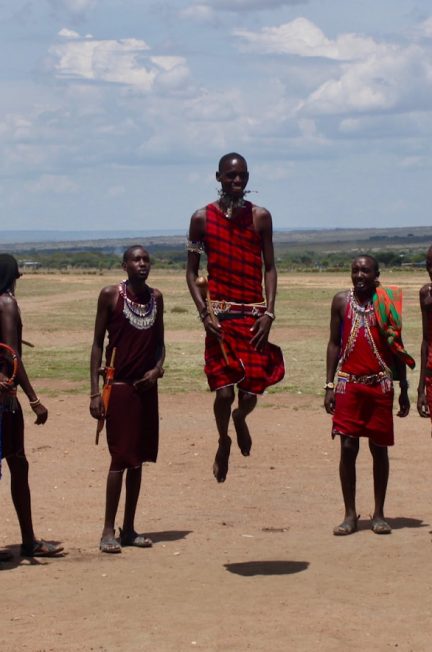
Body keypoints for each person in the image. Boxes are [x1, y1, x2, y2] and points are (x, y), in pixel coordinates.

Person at [186, 152, 285, 483]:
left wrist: (269, 311)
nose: (238, 181)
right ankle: (223, 439)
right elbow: (191, 273)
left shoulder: (261, 218)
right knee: (223, 391)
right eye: (231, 176)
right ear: (218, 177)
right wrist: (204, 314)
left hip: (254, 317)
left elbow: (270, 267)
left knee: (248, 393)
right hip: (220, 319)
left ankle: (240, 418)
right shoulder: (201, 219)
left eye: (243, 175)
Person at [324, 255, 414, 536]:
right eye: (355, 270)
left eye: (365, 270)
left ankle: (379, 514)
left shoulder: (386, 302)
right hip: (348, 385)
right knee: (348, 448)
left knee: (379, 449)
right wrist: (329, 385)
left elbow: (397, 347)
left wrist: (404, 390)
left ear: (377, 274)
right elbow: (334, 344)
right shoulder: (340, 301)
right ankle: (350, 515)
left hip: (380, 386)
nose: (359, 275)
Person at [90, 246, 165, 553]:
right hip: (117, 387)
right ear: (124, 265)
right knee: (120, 458)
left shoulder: (156, 298)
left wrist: (157, 370)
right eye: (136, 259)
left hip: (146, 389)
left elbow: (160, 344)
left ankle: (129, 529)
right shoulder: (110, 295)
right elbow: (96, 344)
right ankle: (107, 531)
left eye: (146, 259)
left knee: (139, 460)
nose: (142, 264)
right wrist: (95, 392)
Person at [0, 254, 63, 559]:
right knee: (18, 465)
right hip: (4, 401)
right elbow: (13, 356)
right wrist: (34, 399)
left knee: (16, 465)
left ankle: (29, 540)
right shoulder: (7, 303)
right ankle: (28, 541)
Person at [417, 245, 432, 421]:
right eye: (428, 264)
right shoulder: (426, 295)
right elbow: (426, 341)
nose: (431, 270)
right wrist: (421, 388)